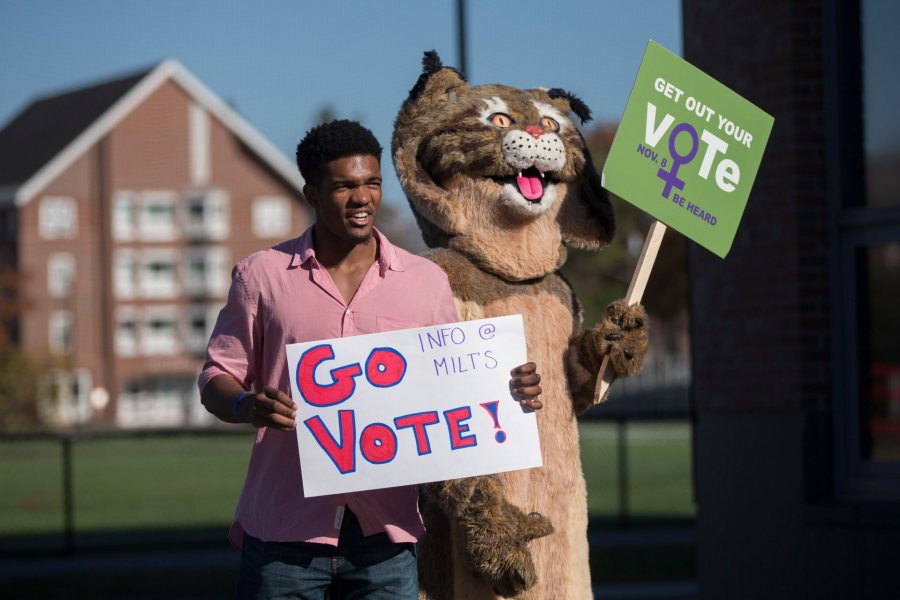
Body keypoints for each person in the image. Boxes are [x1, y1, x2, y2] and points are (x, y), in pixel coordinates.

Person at [199, 119, 542, 599]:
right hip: (283, 535)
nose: (361, 197)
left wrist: (509, 389)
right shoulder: (262, 277)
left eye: (371, 183)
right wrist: (244, 406)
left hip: (386, 539)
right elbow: (217, 375)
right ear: (312, 194)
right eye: (343, 186)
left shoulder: (424, 281)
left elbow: (455, 383)